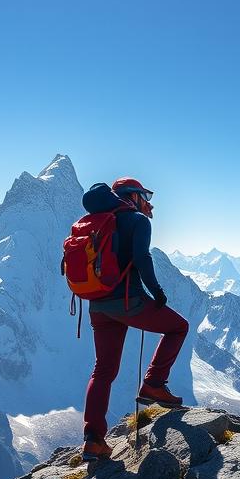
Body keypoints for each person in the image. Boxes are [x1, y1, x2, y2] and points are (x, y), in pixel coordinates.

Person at [80, 176, 189, 461]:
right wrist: (157, 292)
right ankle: (154, 383)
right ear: (134, 196)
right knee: (178, 327)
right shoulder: (138, 221)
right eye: (145, 196)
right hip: (128, 301)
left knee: (102, 371)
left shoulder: (97, 222)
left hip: (97, 305)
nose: (148, 203)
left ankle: (93, 441)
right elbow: (142, 258)